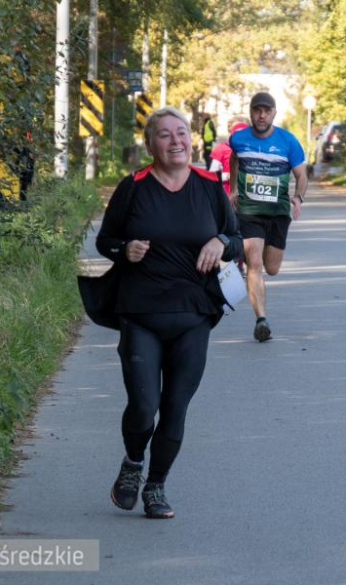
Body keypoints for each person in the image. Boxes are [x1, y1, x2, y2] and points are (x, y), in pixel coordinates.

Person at [96, 106, 242, 519]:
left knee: (175, 407)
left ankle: (156, 486)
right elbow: (104, 241)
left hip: (194, 315)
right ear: (150, 144)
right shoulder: (134, 187)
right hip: (140, 312)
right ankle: (132, 463)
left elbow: (234, 236)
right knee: (144, 407)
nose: (176, 140)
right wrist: (124, 249)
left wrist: (220, 243)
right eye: (165, 134)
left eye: (182, 133)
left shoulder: (210, 184)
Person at [229, 91, 308, 342]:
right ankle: (261, 319)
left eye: (266, 111)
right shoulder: (238, 139)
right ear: (251, 112)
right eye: (257, 110)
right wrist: (232, 189)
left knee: (271, 268)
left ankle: (260, 255)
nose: (261, 115)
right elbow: (234, 159)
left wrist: (298, 198)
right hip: (249, 211)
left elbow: (302, 175)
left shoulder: (288, 141)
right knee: (254, 263)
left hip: (278, 213)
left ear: (274, 113)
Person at [209, 119, 249, 196]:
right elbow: (211, 175)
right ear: (230, 131)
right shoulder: (221, 148)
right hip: (227, 197)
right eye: (236, 128)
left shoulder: (255, 150)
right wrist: (227, 175)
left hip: (247, 198)